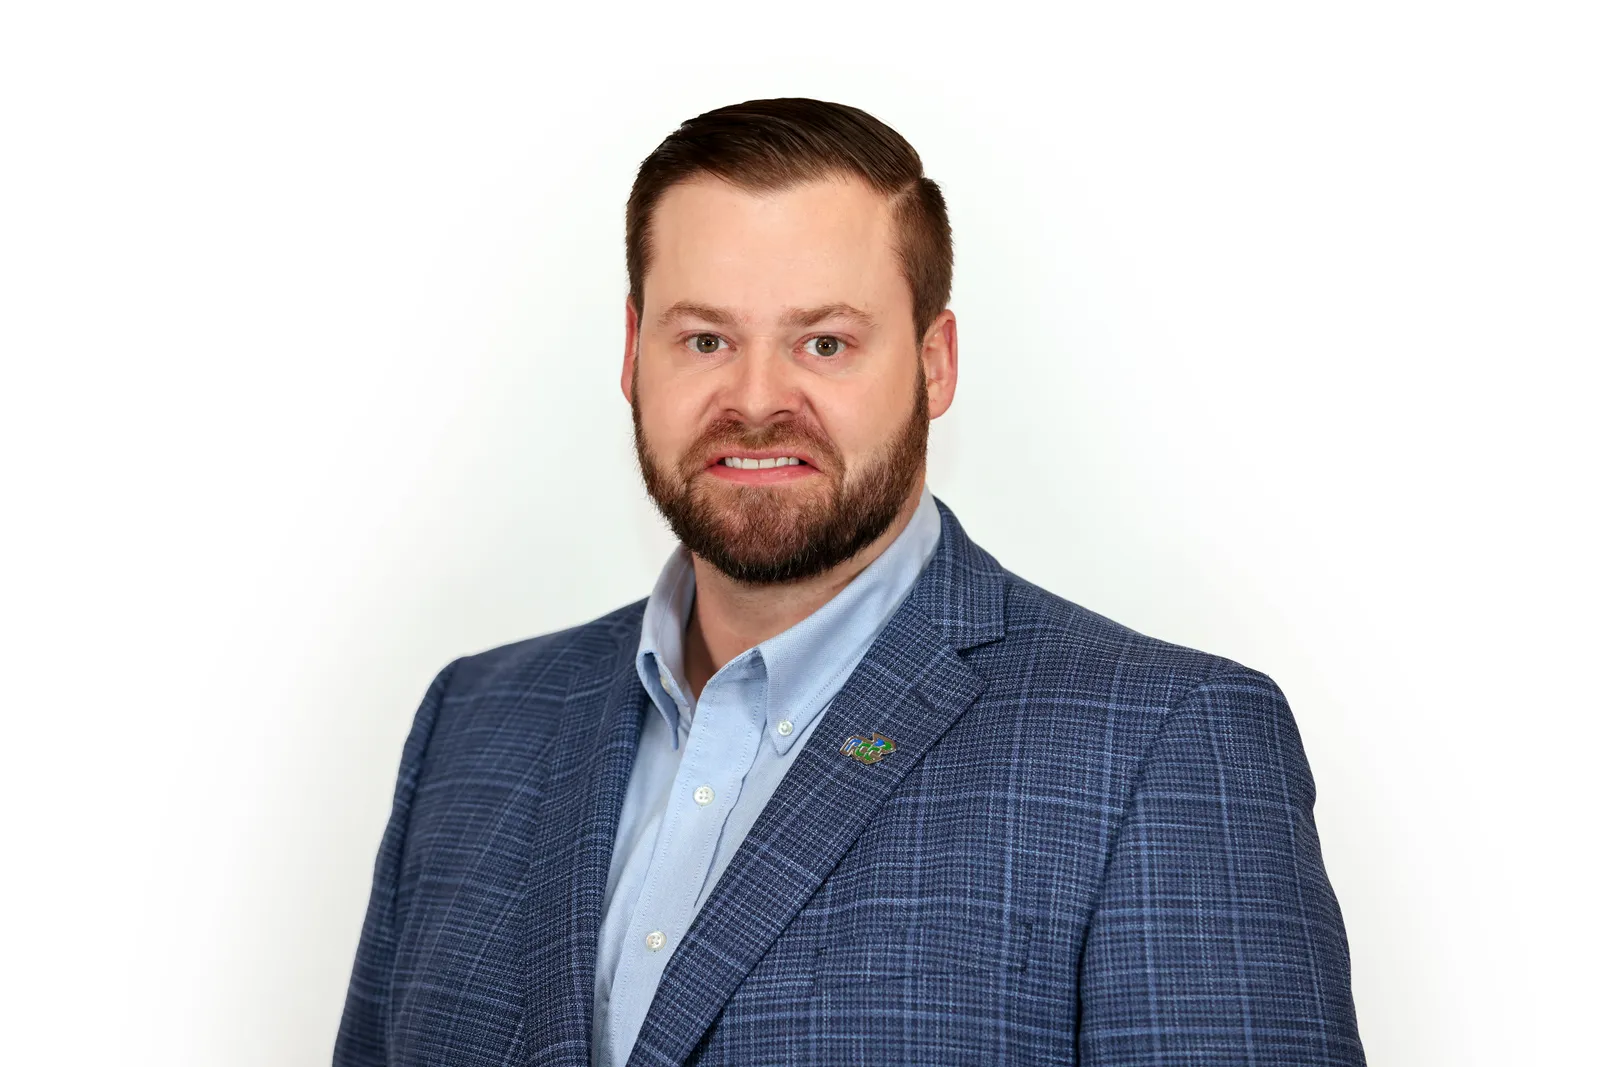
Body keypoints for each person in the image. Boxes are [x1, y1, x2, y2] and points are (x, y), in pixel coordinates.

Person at [333, 97, 1365, 1067]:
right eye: (704, 339)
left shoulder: (1162, 742)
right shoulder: (474, 723)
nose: (755, 399)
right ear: (631, 354)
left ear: (935, 362)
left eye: (823, 342)